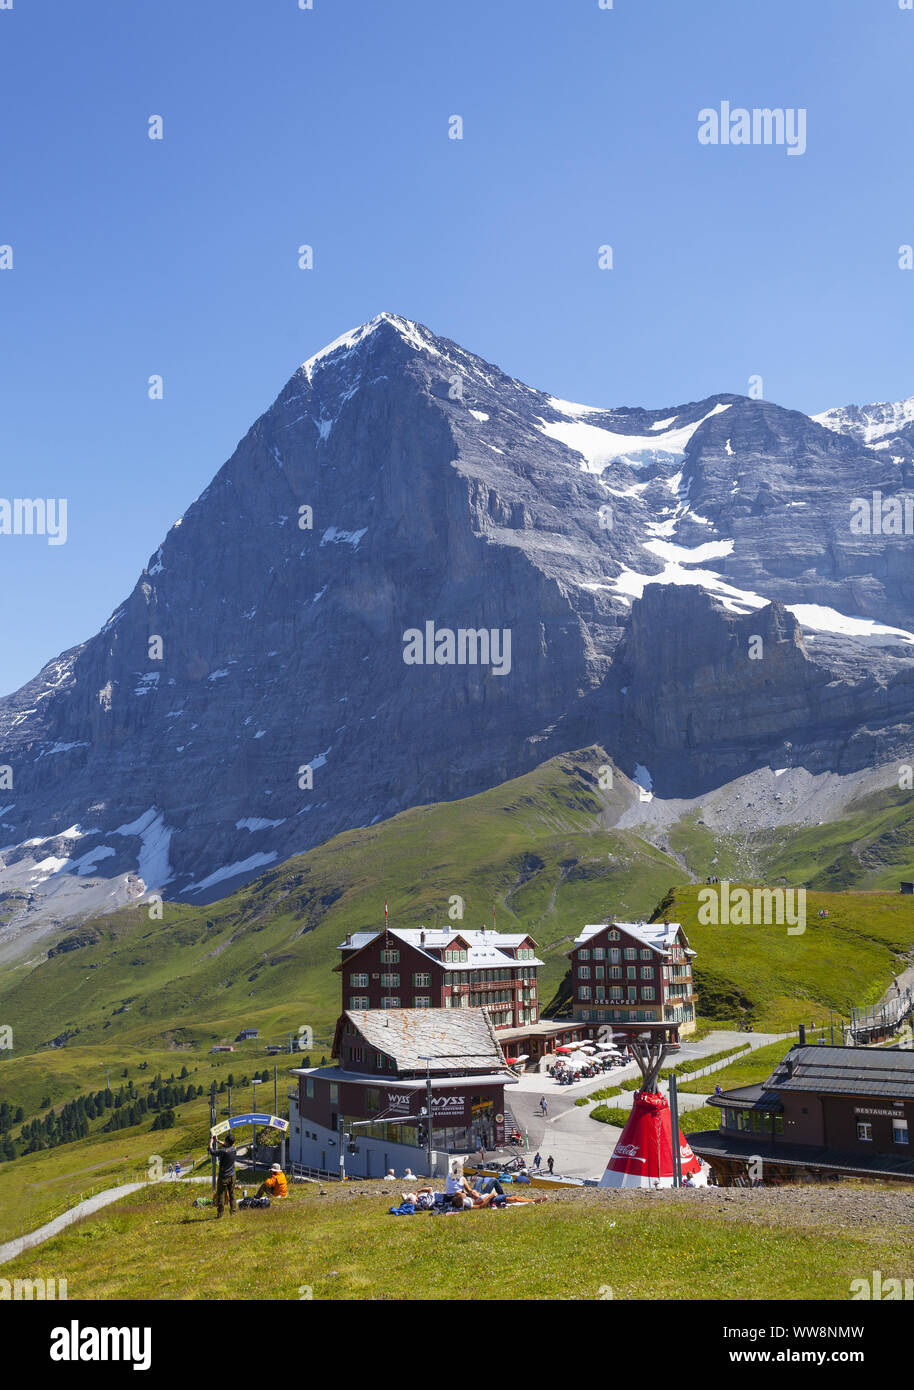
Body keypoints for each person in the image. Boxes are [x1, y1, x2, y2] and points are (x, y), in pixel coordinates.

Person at [209, 1130, 246, 1218]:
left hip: (224, 1177)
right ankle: (233, 1212)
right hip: (232, 1176)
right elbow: (226, 1145)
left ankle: (220, 1214)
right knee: (232, 1194)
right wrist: (217, 1141)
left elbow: (212, 1152)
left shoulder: (223, 1152)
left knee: (221, 1195)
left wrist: (211, 1142)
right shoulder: (234, 1149)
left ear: (227, 1141)